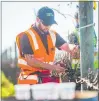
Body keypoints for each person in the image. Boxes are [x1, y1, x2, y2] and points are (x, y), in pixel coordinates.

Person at [16, 6, 79, 84]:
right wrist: (53, 67)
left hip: (46, 79)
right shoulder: (26, 36)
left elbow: (66, 46)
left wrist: (74, 48)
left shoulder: (53, 35)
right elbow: (31, 61)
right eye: (46, 23)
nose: (48, 27)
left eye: (50, 24)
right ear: (37, 19)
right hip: (30, 82)